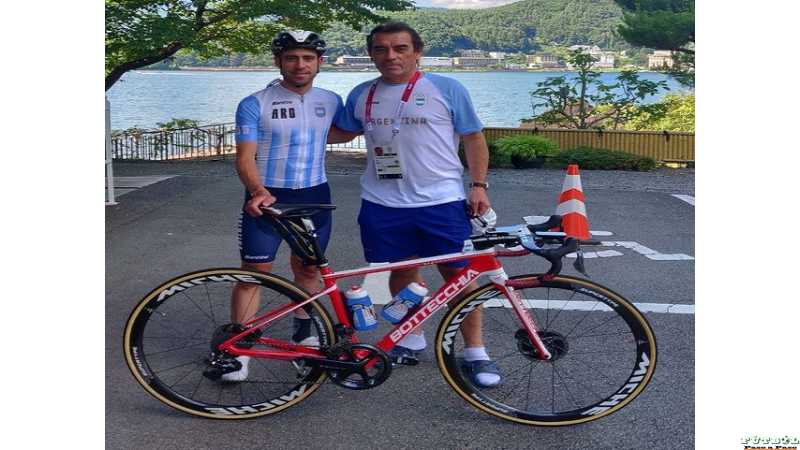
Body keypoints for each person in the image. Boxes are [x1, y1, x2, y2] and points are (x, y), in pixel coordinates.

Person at [332, 21, 502, 388]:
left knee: (459, 276)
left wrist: (478, 185)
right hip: (382, 202)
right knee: (403, 271)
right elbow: (340, 131)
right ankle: (410, 338)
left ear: (417, 52)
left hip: (441, 201)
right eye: (380, 49)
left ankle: (476, 351)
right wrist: (295, 112)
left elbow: (473, 137)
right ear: (371, 54)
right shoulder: (362, 93)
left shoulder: (446, 88)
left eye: (400, 48)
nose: (390, 56)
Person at [222, 30, 343, 381]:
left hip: (315, 195)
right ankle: (240, 346)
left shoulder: (331, 100)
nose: (300, 64)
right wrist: (256, 190)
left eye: (308, 58)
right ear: (278, 61)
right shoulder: (254, 102)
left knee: (308, 269)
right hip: (269, 195)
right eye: (291, 57)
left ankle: (303, 334)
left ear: (319, 62)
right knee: (254, 272)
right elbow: (245, 156)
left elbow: (344, 131)